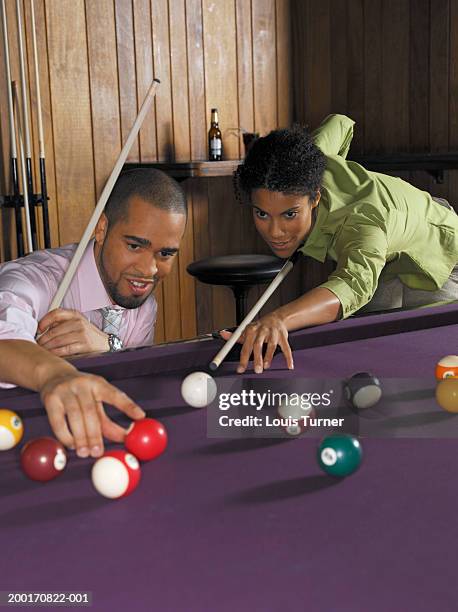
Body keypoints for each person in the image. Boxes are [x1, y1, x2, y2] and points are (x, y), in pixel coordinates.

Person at [224, 114, 458, 374]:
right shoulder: (309, 162)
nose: (275, 232)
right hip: (384, 254)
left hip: (439, 247)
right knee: (372, 349)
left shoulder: (362, 222)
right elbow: (340, 122)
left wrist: (279, 318)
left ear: (315, 198)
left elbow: (353, 284)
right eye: (262, 214)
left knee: (431, 359)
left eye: (290, 214)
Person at [0, 168, 187, 457]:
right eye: (135, 245)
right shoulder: (34, 280)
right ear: (101, 229)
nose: (149, 270)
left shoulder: (142, 300)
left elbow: (130, 382)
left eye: (165, 254)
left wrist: (107, 347)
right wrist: (56, 374)